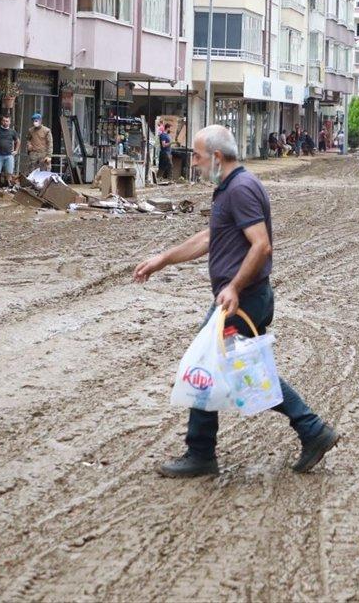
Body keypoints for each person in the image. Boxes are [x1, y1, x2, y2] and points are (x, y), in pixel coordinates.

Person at [133, 125, 340, 478]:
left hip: (241, 300)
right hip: (243, 299)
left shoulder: (241, 189)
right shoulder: (229, 188)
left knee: (206, 364)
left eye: (197, 156)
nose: (194, 162)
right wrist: (163, 259)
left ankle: (201, 453)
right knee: (243, 372)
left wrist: (233, 287)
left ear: (216, 157)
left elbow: (261, 245)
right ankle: (312, 431)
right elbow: (210, 237)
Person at [0, 114, 19, 189]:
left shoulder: (12, 131)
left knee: (9, 173)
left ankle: (9, 190)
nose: (5, 122)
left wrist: (16, 150)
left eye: (7, 121)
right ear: (1, 121)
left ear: (10, 122)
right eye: (4, 121)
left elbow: (18, 141)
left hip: (9, 155)